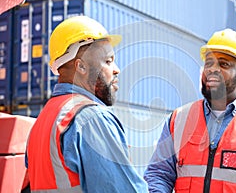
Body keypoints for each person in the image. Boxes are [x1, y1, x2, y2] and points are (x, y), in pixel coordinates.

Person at [144, 28, 236, 192]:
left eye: (223, 64)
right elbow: (158, 175)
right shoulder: (178, 120)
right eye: (209, 63)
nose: (212, 69)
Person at [25, 16, 148, 192]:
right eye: (108, 61)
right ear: (81, 67)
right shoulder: (91, 119)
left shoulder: (43, 121)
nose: (116, 69)